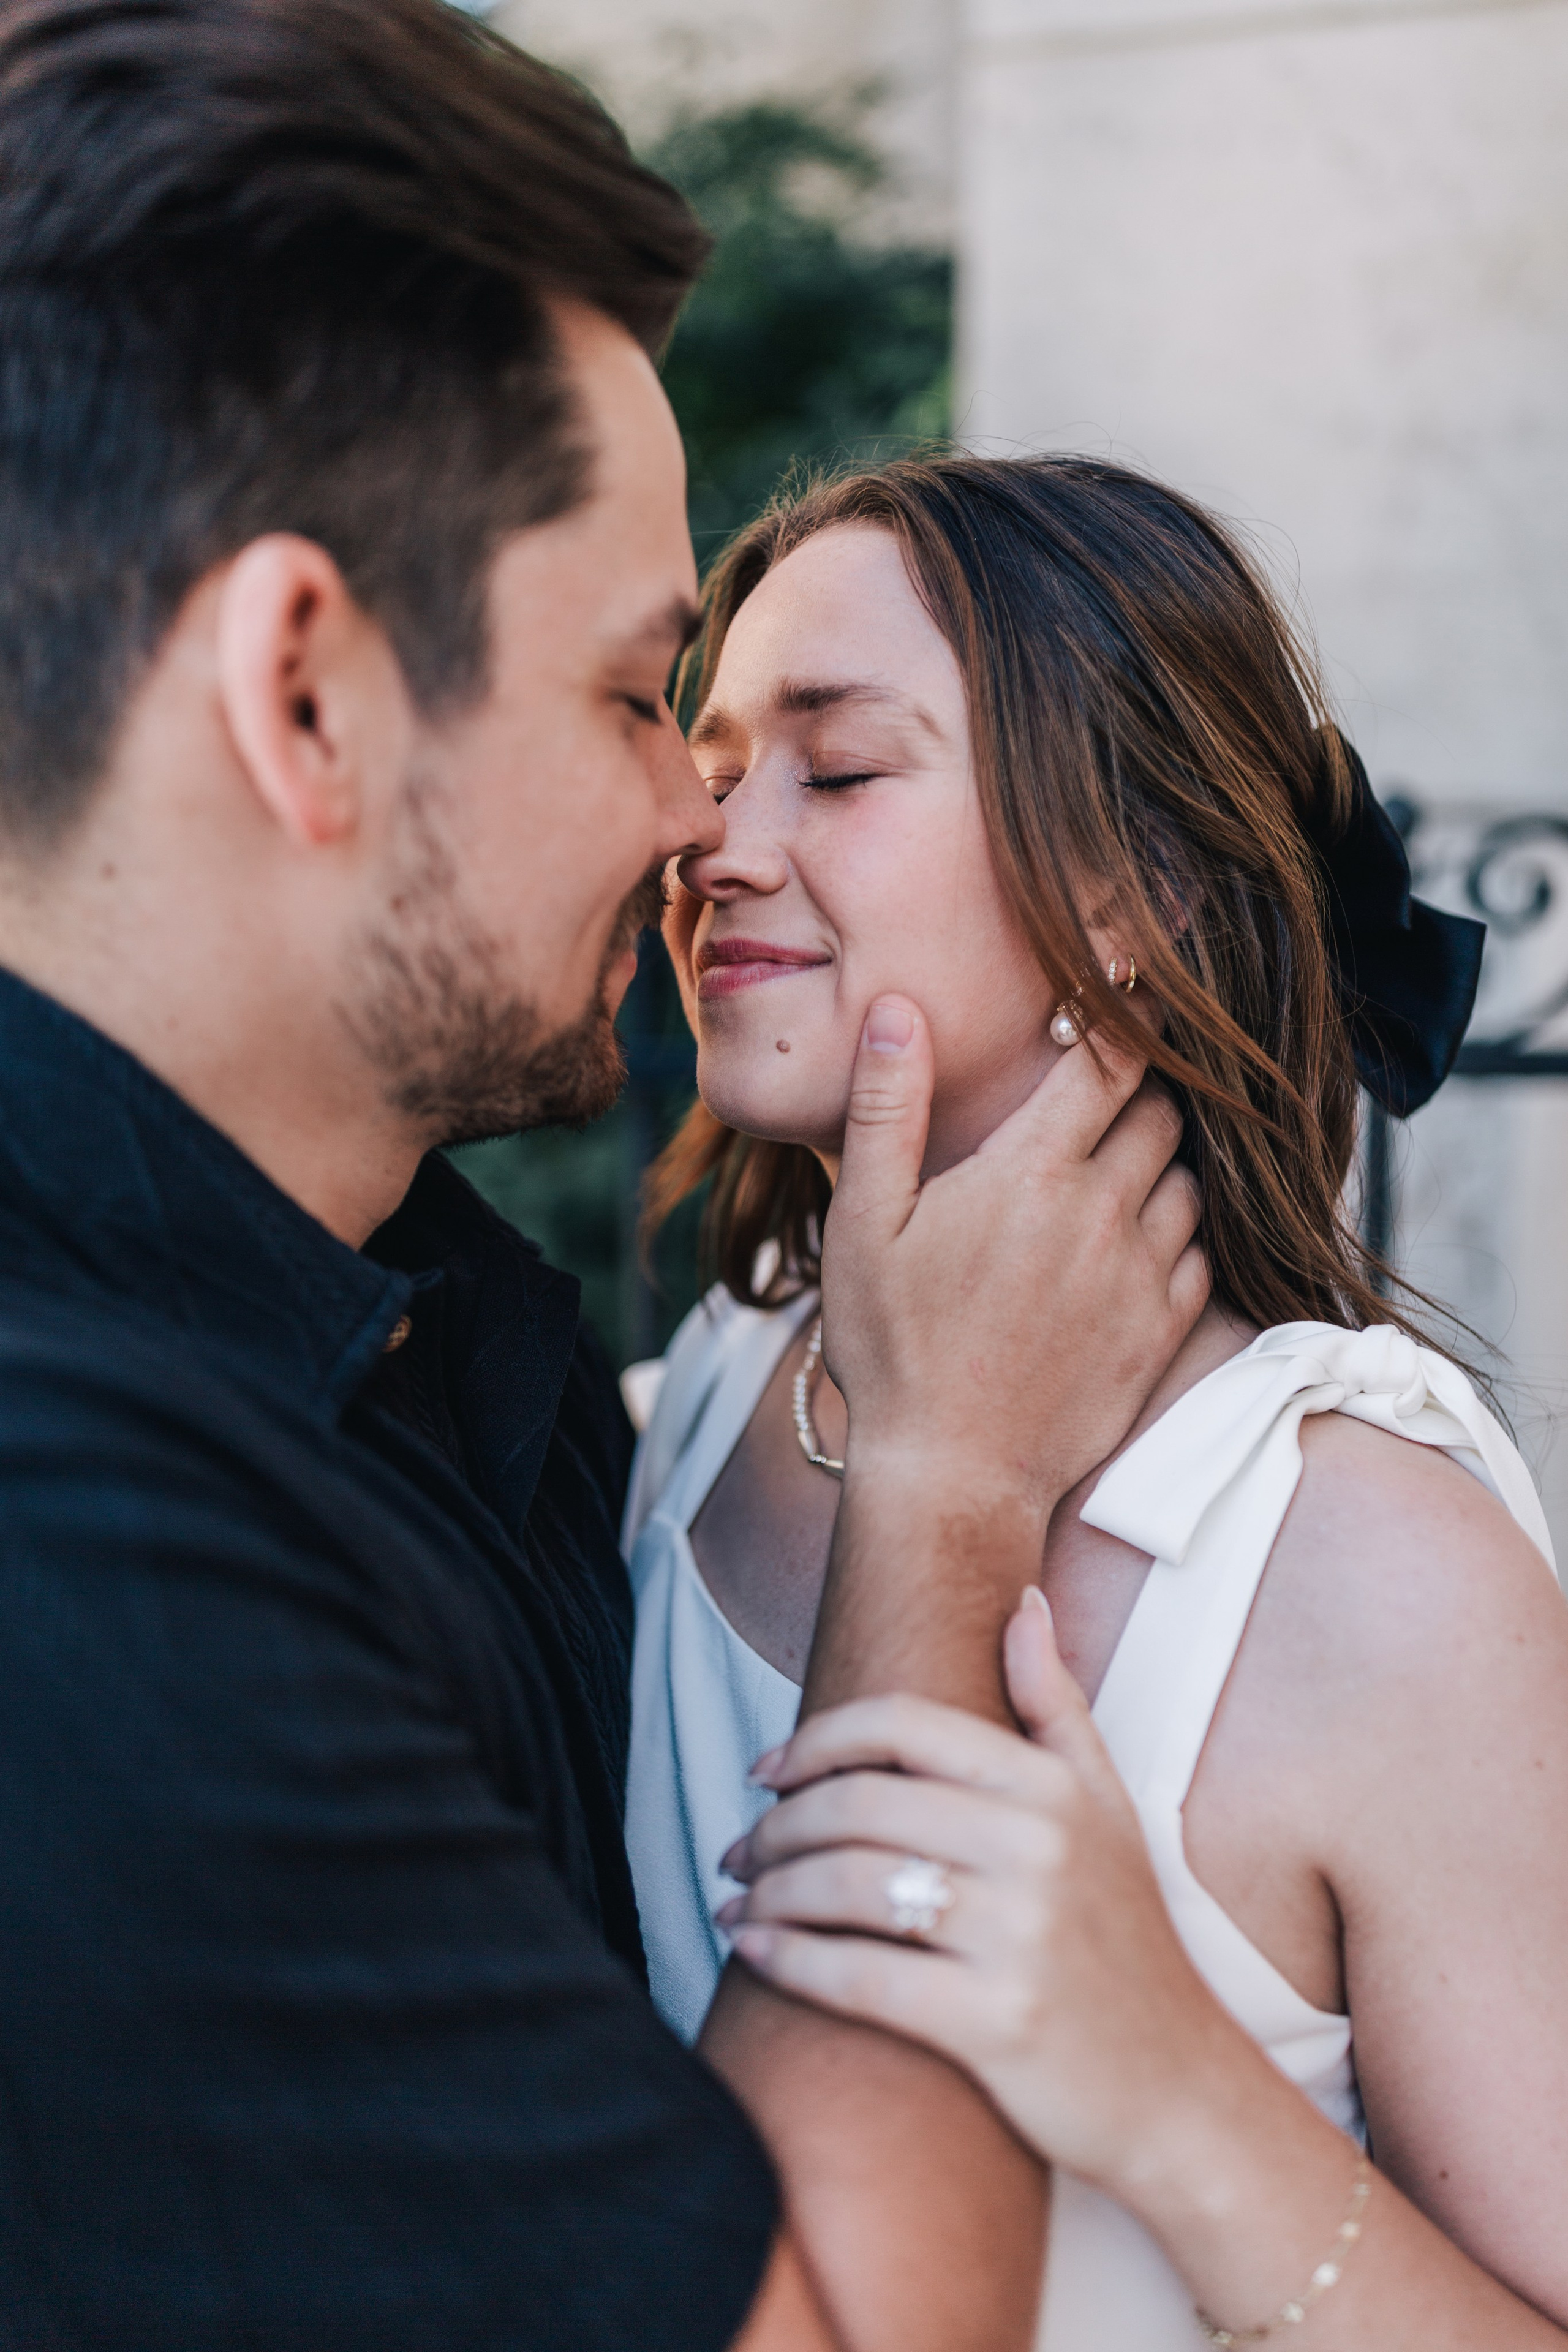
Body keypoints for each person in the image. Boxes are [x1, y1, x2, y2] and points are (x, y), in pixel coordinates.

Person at [0, 7, 1207, 2348]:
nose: (693, 818)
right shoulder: (79, 1554)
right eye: (642, 694)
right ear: (309, 694)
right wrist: (947, 1494)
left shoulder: (417, 1312)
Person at [625, 453, 1568, 2343]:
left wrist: (1171, 2090)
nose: (716, 839)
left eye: (840, 764)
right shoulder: (699, 1403)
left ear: (1134, 880)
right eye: (715, 759)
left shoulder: (1368, 1554)